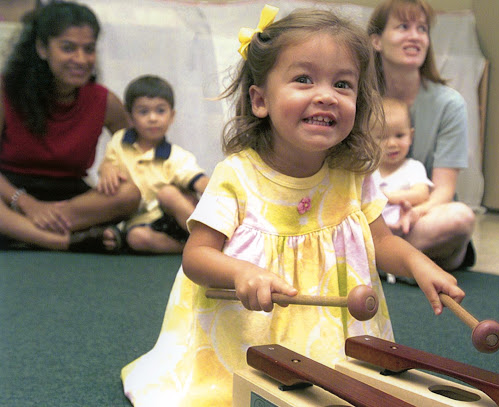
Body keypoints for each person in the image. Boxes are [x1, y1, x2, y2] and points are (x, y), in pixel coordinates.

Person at [120, 6, 464, 406]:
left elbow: (382, 242)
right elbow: (197, 257)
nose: (325, 95)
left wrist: (418, 263)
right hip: (246, 336)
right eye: (303, 79)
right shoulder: (237, 175)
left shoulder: (352, 173)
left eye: (342, 84)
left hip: (329, 336)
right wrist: (241, 272)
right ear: (261, 99)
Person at [0, 0, 140, 252]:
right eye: (68, 48)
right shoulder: (5, 91)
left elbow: (135, 149)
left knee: (129, 193)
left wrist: (112, 165)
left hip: (71, 201)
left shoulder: (103, 100)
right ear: (42, 48)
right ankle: (60, 241)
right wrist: (26, 203)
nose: (81, 59)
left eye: (89, 49)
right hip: (11, 194)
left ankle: (22, 232)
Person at [367, 0, 476, 271]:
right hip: (371, 215)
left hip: (420, 215)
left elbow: (444, 191)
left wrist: (415, 212)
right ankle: (415, 262)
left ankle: (381, 261)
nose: (415, 36)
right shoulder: (359, 99)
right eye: (403, 26)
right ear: (377, 41)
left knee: (460, 218)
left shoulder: (450, 105)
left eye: (422, 29)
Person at [97, 75, 209, 253]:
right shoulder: (119, 142)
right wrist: (106, 169)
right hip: (142, 223)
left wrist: (215, 191)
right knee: (136, 238)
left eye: (160, 111)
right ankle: (186, 249)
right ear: (130, 117)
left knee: (168, 193)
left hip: (173, 218)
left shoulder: (175, 155)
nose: (153, 118)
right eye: (143, 112)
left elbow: (196, 178)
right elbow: (107, 165)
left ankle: (209, 239)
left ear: (172, 116)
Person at [372, 97, 433, 283]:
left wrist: (391, 197)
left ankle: (405, 267)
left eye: (400, 136)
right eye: (382, 137)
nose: (392, 144)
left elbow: (422, 193)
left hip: (403, 229)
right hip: (374, 230)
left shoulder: (413, 167)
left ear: (411, 136)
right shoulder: (368, 169)